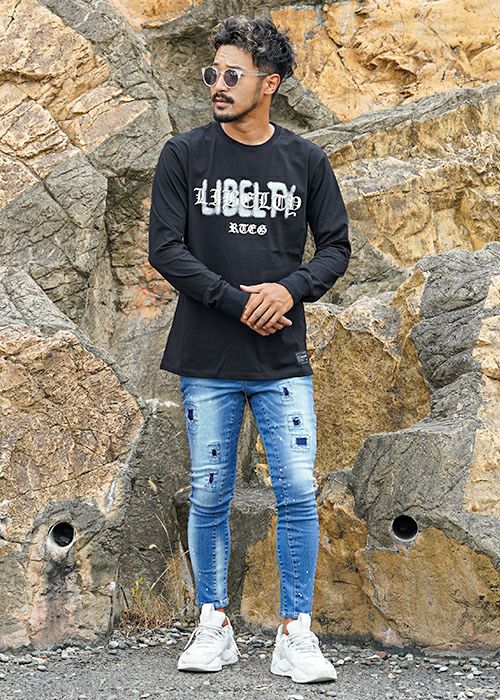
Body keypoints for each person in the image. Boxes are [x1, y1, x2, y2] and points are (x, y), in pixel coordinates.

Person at [148, 14, 351, 685]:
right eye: (213, 73)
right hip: (206, 358)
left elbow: (336, 248)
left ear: (270, 83)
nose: (217, 84)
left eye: (232, 75)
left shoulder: (305, 160)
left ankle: (296, 633)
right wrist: (239, 302)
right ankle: (214, 623)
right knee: (210, 493)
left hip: (281, 361)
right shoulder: (183, 155)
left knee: (297, 490)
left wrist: (290, 289)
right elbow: (166, 250)